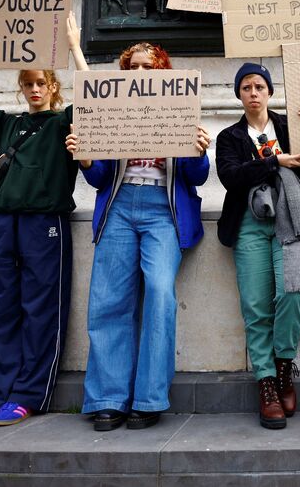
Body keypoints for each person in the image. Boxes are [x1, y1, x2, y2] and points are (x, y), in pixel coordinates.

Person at [0, 11, 85, 427]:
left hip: (46, 224)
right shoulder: (8, 125)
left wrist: (75, 46)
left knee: (40, 308)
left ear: (53, 86)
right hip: (6, 223)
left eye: (41, 83)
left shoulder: (64, 122)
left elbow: (102, 97)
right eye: (28, 84)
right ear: (22, 88)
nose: (35, 90)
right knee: (3, 309)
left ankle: (27, 394)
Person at [65, 42, 210, 431]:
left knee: (160, 293)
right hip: (120, 207)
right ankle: (109, 398)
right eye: (132, 68)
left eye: (148, 67)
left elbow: (196, 178)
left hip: (163, 213)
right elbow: (98, 178)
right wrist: (85, 158)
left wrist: (198, 152)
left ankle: (148, 399)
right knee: (108, 298)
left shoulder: (181, 109)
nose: (140, 74)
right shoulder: (112, 111)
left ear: (163, 72)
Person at [216, 63, 300, 430]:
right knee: (255, 306)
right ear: (239, 94)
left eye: (259, 86)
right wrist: (273, 161)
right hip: (249, 224)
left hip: (291, 219)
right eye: (246, 87)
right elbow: (232, 177)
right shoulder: (230, 136)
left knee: (294, 293)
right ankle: (266, 383)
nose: (253, 92)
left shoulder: (288, 125)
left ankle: (283, 368)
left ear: (269, 92)